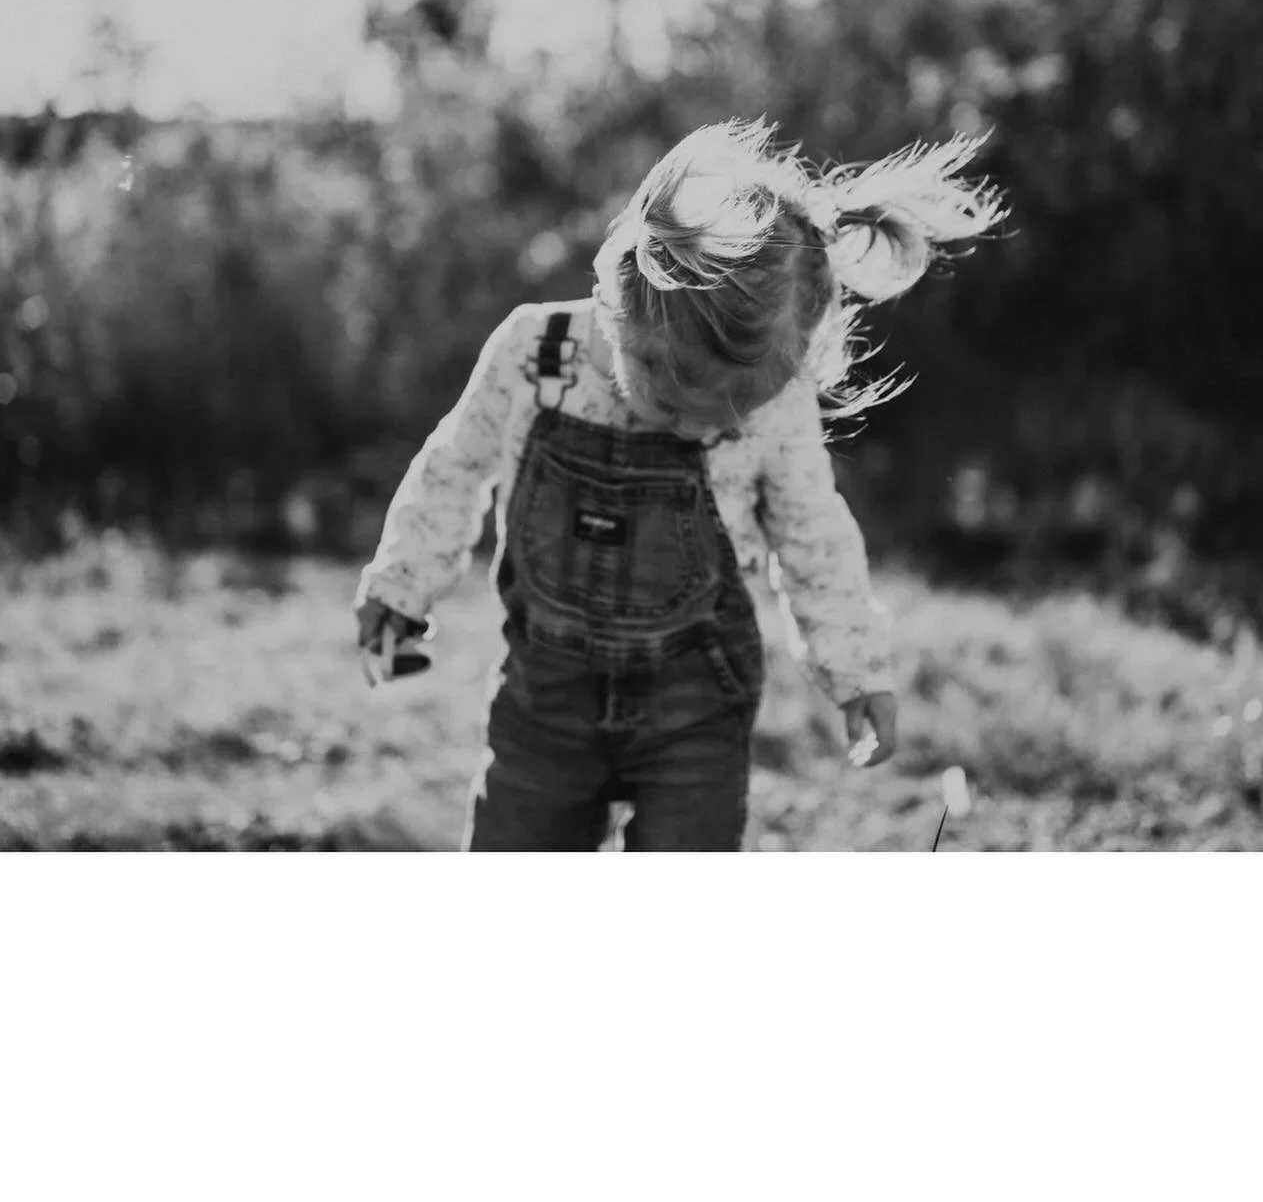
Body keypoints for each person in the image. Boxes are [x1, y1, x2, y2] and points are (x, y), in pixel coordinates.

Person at [354, 118, 1005, 850]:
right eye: (671, 402)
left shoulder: (779, 408)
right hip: (546, 703)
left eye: (729, 418)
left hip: (694, 704)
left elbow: (813, 537)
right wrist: (401, 584)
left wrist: (857, 671)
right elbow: (452, 466)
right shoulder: (535, 355)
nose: (695, 431)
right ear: (622, 298)